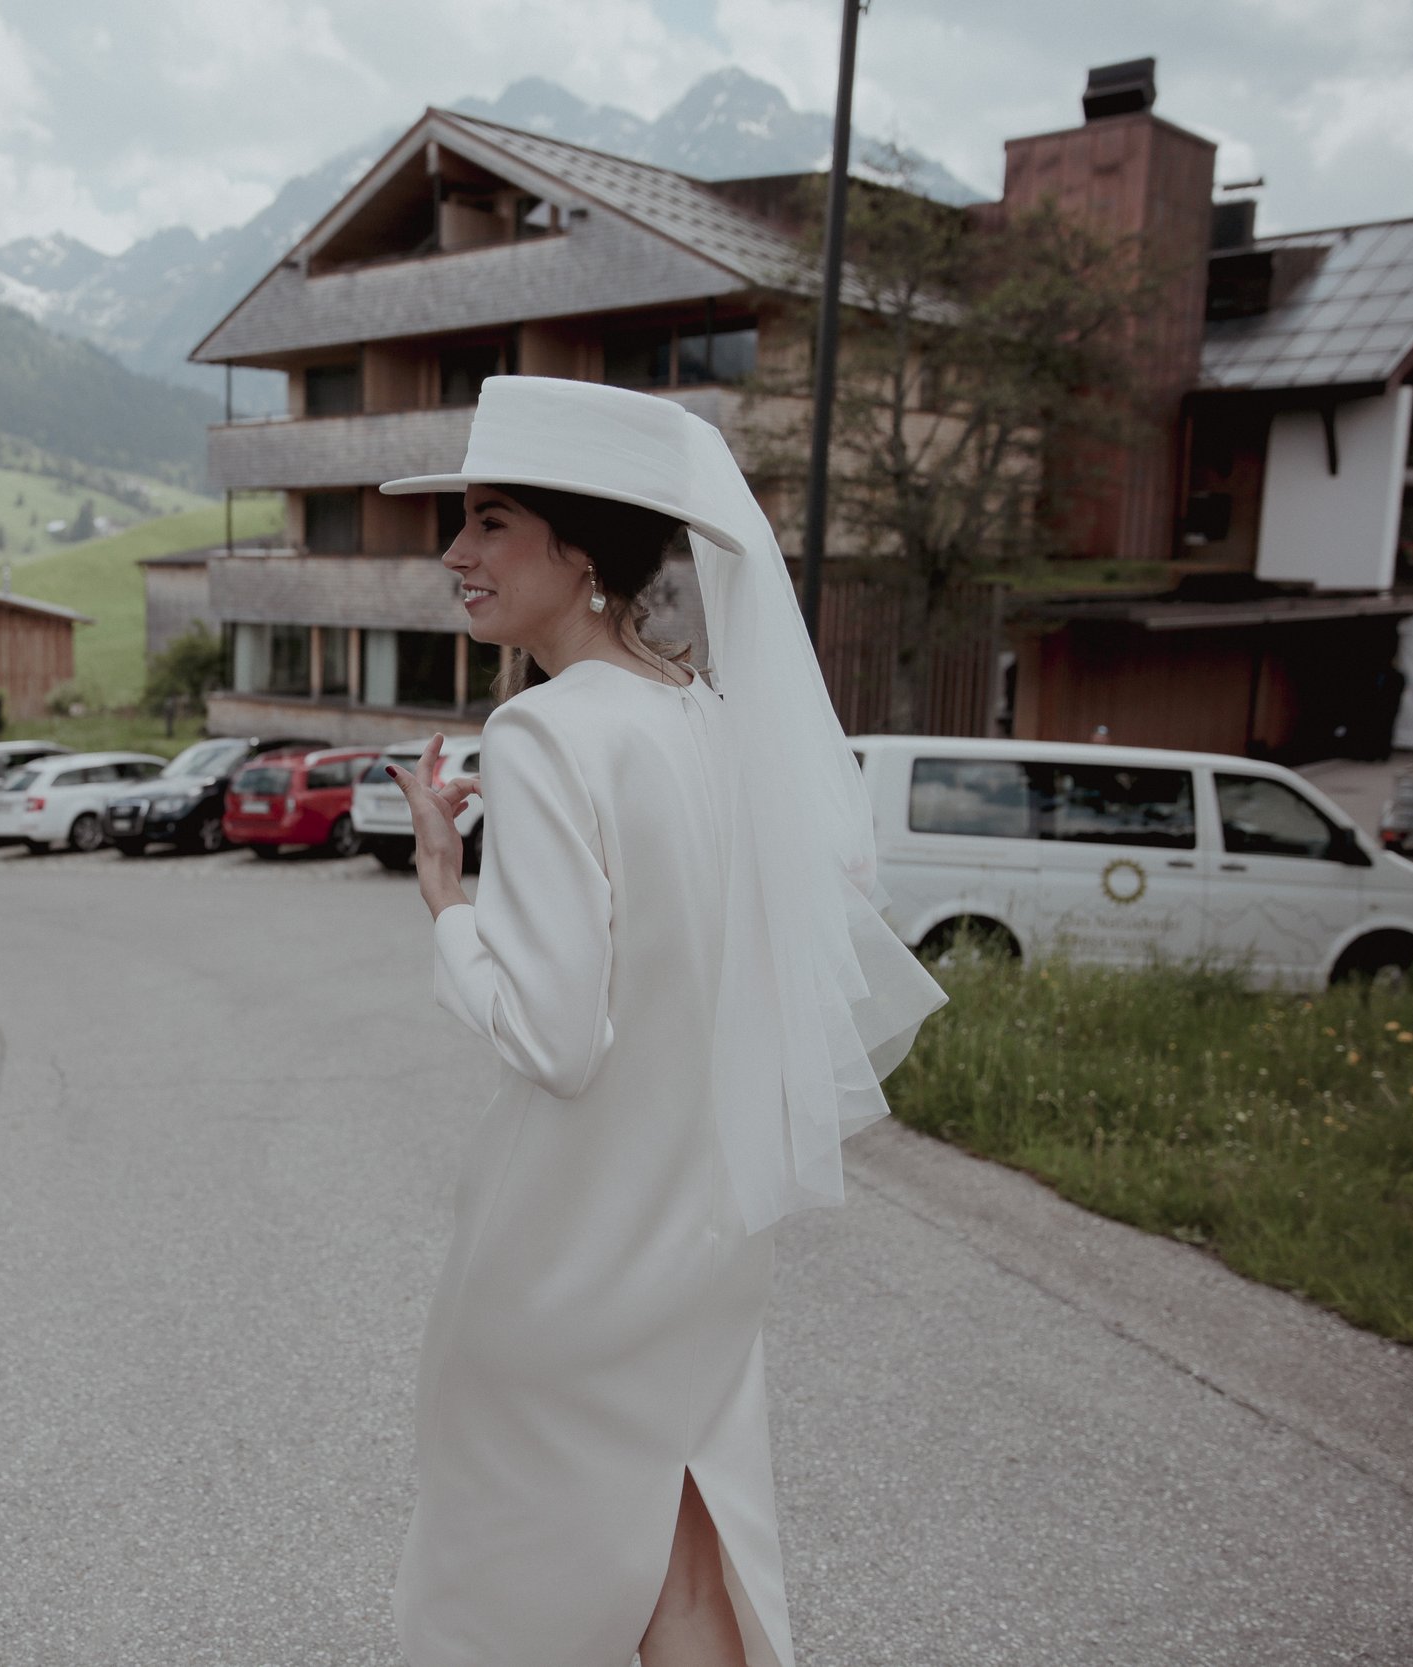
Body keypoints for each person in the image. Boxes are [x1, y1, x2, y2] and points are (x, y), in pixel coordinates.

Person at [381, 377, 946, 1667]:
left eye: (490, 524)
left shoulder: (541, 730)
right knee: (685, 1553)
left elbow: (554, 1036)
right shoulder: (708, 719)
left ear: (583, 553)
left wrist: (446, 901)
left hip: (568, 1248)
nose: (455, 557)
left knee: (498, 1583)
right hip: (700, 1235)